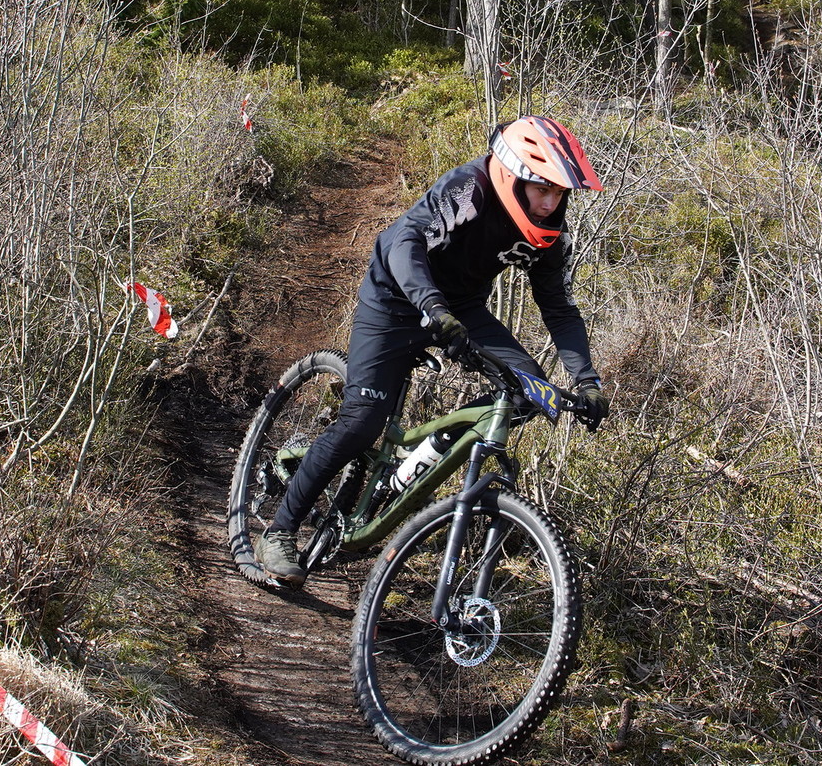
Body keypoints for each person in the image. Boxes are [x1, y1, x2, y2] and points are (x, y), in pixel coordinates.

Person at [257, 114, 611, 582]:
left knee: (528, 392)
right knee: (362, 421)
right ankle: (279, 531)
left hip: (460, 309)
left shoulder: (549, 235)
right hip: (395, 297)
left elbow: (560, 309)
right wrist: (431, 306)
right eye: (541, 188)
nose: (550, 203)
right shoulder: (470, 188)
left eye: (560, 192)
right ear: (512, 176)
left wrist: (587, 381)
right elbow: (405, 240)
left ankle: (424, 455)